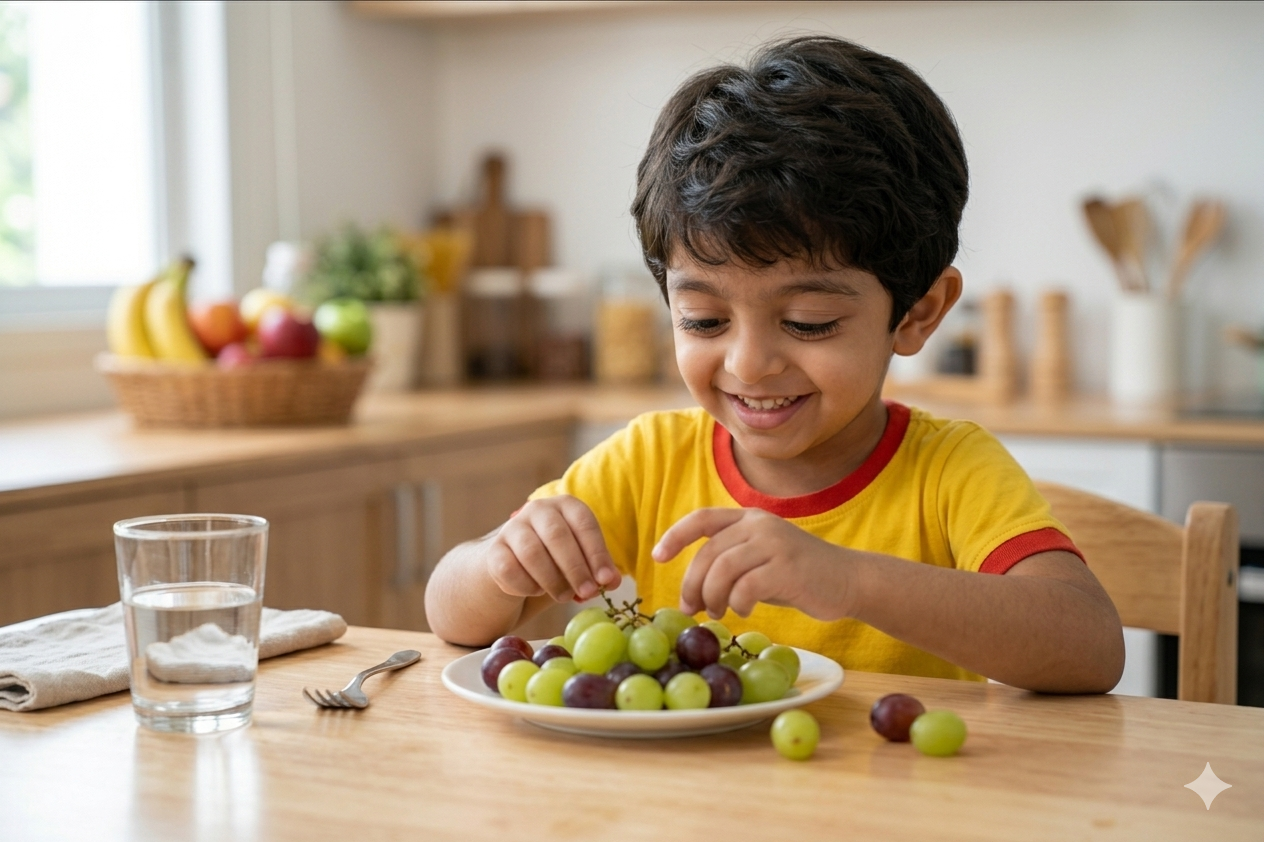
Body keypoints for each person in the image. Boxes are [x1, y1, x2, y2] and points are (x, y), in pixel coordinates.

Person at [426, 36, 1124, 693]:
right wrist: (498, 565)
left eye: (807, 323)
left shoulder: (950, 472)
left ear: (917, 312)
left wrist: (852, 582)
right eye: (703, 320)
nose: (749, 364)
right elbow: (450, 613)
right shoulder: (648, 461)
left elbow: (1090, 643)